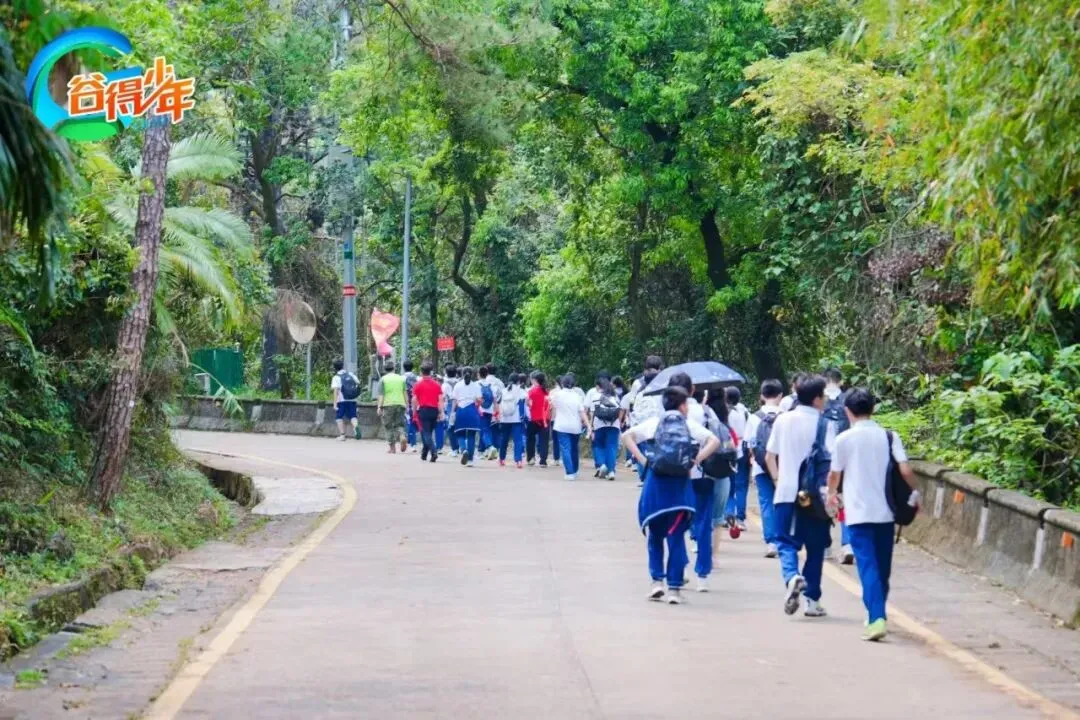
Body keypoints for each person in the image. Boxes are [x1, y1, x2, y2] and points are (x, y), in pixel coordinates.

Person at [827, 388, 919, 641]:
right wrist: (916, 493)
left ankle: (876, 617)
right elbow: (905, 470)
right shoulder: (889, 437)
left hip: (857, 513)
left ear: (847, 411)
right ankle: (876, 614)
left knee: (868, 567)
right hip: (886, 513)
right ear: (873, 409)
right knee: (883, 568)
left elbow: (834, 474)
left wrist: (831, 494)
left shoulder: (843, 439)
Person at [623, 386, 722, 604]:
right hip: (679, 492)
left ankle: (657, 582)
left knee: (655, 537)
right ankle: (674, 590)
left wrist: (644, 460)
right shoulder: (688, 425)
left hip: (655, 489)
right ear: (683, 405)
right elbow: (714, 441)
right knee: (676, 538)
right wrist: (695, 460)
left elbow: (626, 436)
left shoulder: (654, 423)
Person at [765, 375, 831, 618]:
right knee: (816, 548)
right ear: (817, 399)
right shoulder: (825, 424)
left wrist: (777, 480)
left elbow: (769, 456)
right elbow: (833, 464)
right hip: (815, 497)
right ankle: (812, 602)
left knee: (785, 542)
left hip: (786, 492)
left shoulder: (783, 420)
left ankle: (792, 576)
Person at [745, 379, 785, 558]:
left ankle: (771, 542)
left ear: (761, 396)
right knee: (782, 503)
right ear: (780, 396)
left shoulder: (754, 417)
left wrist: (755, 460)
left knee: (766, 503)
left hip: (761, 468)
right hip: (783, 468)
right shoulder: (786, 416)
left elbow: (750, 444)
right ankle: (784, 538)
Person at [550, 373, 589, 480]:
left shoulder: (557, 394)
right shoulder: (577, 396)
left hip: (562, 426)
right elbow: (582, 412)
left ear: (562, 383)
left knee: (565, 448)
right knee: (574, 448)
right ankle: (575, 470)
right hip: (575, 426)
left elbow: (552, 405)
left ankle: (570, 472)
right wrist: (589, 426)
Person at [723, 386, 751, 531]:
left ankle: (728, 512)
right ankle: (740, 518)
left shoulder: (722, 411)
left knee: (728, 485)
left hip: (728, 449)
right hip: (743, 449)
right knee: (742, 486)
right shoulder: (744, 411)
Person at [585, 374, 621, 480]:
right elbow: (619, 411)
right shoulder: (615, 396)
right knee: (612, 447)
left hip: (599, 425)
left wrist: (590, 428)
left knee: (599, 446)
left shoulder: (595, 397)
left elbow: (593, 413)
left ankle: (602, 465)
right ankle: (611, 471)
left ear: (598, 386)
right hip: (614, 425)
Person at [451, 366, 483, 466]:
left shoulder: (457, 385)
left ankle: (464, 449)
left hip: (460, 411)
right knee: (471, 436)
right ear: (472, 374)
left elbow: (455, 401)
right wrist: (477, 404)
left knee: (460, 433)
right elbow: (479, 400)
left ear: (462, 374)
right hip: (472, 411)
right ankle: (470, 460)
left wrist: (452, 413)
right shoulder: (476, 386)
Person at [412, 360, 444, 463]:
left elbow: (414, 400)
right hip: (434, 410)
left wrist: (414, 411)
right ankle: (424, 454)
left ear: (421, 372)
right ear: (430, 372)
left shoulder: (418, 385)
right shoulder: (437, 384)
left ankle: (433, 452)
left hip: (423, 410)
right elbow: (440, 399)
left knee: (426, 433)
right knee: (428, 432)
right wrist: (441, 412)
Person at [375, 361, 408, 453]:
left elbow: (381, 395)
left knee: (388, 426)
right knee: (400, 424)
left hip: (388, 405)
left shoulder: (383, 379)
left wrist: (379, 407)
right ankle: (402, 435)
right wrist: (407, 405)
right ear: (394, 368)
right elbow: (405, 393)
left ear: (385, 369)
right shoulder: (401, 378)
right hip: (401, 404)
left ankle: (392, 448)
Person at [498, 373, 527, 468]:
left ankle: (501, 459)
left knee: (504, 439)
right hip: (516, 418)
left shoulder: (503, 390)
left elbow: (499, 402)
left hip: (504, 418)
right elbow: (526, 401)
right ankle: (518, 460)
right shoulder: (520, 391)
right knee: (517, 439)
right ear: (518, 381)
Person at [330, 359, 361, 441]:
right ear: (342, 366)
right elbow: (358, 383)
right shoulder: (350, 374)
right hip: (352, 399)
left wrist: (335, 404)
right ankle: (356, 427)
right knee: (353, 416)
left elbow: (336, 391)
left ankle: (342, 435)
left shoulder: (336, 377)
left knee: (339, 417)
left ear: (335, 368)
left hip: (342, 400)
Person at [477, 365, 503, 460]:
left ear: (478, 374)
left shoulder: (477, 384)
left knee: (484, 430)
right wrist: (497, 412)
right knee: (487, 429)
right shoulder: (494, 384)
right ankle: (482, 450)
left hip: (480, 410)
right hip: (490, 410)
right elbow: (496, 400)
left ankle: (489, 447)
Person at [526, 372, 551, 467]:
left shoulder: (532, 391)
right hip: (545, 419)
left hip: (534, 419)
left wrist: (529, 404)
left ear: (535, 380)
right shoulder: (547, 391)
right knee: (544, 440)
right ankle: (543, 461)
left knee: (530, 438)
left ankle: (530, 458)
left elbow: (529, 404)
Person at [439, 364, 461, 457]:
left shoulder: (445, 385)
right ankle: (460, 447)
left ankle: (454, 449)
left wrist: (441, 410)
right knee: (459, 427)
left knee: (450, 428)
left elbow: (443, 398)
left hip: (449, 406)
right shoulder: (460, 382)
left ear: (446, 373)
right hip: (460, 405)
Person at [402, 360, 419, 453]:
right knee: (413, 420)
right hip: (416, 402)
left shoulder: (401, 378)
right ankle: (412, 442)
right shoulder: (417, 378)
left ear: (404, 367)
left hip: (406, 402)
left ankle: (412, 443)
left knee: (409, 422)